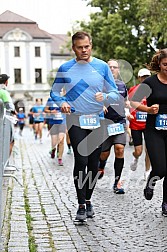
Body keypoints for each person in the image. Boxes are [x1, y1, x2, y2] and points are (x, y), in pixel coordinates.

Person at [50, 31, 119, 222]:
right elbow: (54, 93)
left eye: (87, 46)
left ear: (91, 45)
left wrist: (105, 97)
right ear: (73, 48)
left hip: (96, 120)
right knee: (81, 160)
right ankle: (81, 205)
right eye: (80, 47)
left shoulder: (102, 67)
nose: (84, 50)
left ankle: (88, 199)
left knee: (93, 165)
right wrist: (62, 102)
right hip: (76, 119)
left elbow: (114, 93)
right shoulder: (65, 68)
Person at [130, 48, 167, 216]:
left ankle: (166, 202)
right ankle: (151, 181)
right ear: (159, 64)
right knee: (160, 168)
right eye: (165, 64)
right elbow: (133, 102)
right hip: (154, 130)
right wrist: (148, 109)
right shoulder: (150, 83)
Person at [97, 59, 127, 194]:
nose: (113, 69)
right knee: (104, 153)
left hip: (120, 123)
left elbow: (125, 101)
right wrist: (100, 105)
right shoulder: (100, 84)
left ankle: (117, 182)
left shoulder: (122, 85)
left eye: (115, 67)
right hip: (105, 124)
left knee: (120, 149)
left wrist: (129, 111)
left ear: (118, 70)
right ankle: (101, 166)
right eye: (110, 67)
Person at [128, 68, 151, 180]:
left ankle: (147, 171)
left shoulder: (154, 90)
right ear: (139, 78)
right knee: (139, 151)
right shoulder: (133, 89)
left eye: (147, 76)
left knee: (149, 149)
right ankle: (136, 158)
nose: (145, 79)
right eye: (143, 77)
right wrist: (129, 114)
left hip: (149, 125)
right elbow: (128, 104)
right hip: (136, 124)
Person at [44, 97, 66, 166]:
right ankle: (53, 149)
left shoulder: (64, 99)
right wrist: (51, 112)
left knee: (61, 141)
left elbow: (69, 110)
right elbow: (45, 110)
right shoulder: (50, 99)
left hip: (62, 123)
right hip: (53, 123)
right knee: (54, 142)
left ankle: (60, 158)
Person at [0, 74, 15, 154]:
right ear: (6, 82)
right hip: (5, 119)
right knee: (10, 140)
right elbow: (10, 106)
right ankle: (4, 164)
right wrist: (14, 112)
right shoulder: (4, 92)